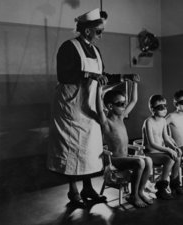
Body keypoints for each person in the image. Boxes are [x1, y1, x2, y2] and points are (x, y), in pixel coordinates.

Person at [47, 8, 137, 207]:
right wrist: (90, 75)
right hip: (71, 106)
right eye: (98, 31)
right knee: (73, 148)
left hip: (90, 105)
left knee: (88, 148)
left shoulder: (95, 51)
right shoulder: (68, 47)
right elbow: (64, 75)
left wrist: (124, 77)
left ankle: (88, 187)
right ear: (87, 31)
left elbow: (102, 76)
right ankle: (73, 192)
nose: (101, 35)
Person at [96, 78, 154, 208]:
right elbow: (99, 108)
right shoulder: (106, 122)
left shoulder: (122, 117)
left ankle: (140, 192)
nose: (124, 106)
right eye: (121, 104)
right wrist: (99, 88)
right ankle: (133, 195)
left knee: (148, 160)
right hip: (115, 160)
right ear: (110, 106)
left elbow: (134, 101)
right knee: (139, 162)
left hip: (126, 157)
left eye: (124, 103)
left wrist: (135, 83)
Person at [142, 95, 183, 199]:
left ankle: (174, 184)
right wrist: (168, 150)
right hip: (150, 153)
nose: (164, 109)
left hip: (160, 152)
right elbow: (151, 143)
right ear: (153, 109)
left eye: (165, 106)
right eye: (160, 107)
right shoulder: (148, 122)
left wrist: (174, 147)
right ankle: (161, 188)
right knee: (169, 160)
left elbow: (166, 138)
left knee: (177, 157)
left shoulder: (163, 121)